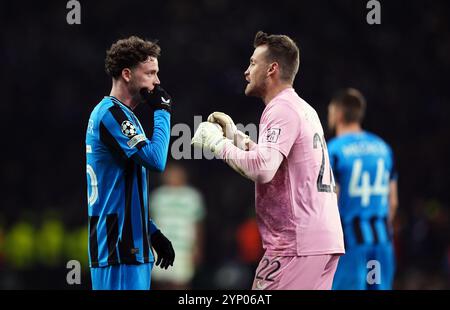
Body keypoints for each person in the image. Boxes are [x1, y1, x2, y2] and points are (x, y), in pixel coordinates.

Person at [192, 31, 345, 290]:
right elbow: (279, 160)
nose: (246, 71)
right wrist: (238, 138)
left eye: (253, 63)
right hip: (322, 241)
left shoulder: (279, 108)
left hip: (295, 245)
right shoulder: (303, 108)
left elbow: (263, 169)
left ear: (272, 68)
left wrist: (217, 144)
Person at [85, 36, 175, 290]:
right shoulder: (111, 114)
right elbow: (156, 160)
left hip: (129, 247)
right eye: (150, 73)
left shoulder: (123, 116)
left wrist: (152, 232)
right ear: (127, 74)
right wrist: (163, 112)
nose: (157, 81)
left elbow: (120, 189)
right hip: (119, 249)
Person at [327, 88, 398, 290]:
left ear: (338, 114)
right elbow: (393, 202)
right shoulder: (383, 148)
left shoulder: (333, 150)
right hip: (382, 240)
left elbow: (331, 201)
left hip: (350, 243)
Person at [150, 163, 206, 289]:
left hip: (184, 249)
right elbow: (150, 223)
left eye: (177, 174)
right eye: (171, 174)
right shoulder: (157, 196)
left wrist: (198, 249)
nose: (173, 177)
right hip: (161, 247)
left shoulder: (193, 197)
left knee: (181, 283)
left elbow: (199, 225)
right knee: (161, 283)